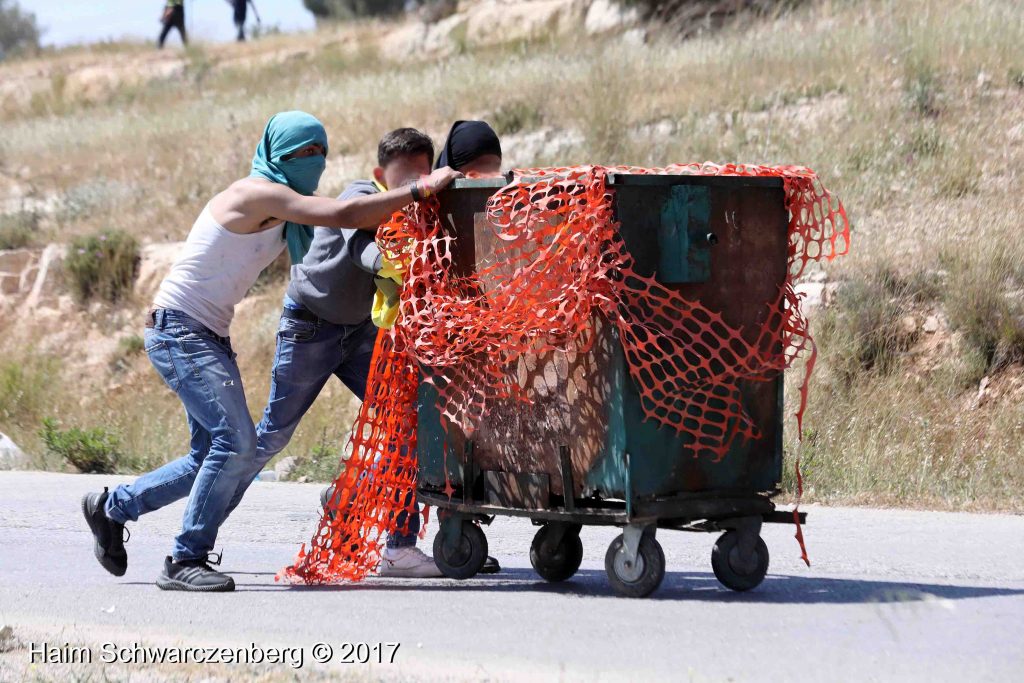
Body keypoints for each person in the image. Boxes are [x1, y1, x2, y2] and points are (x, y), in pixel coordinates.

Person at [81, 112, 461, 593]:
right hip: (180, 330)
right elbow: (347, 218)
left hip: (211, 333)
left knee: (212, 456)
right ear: (275, 153)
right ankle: (184, 559)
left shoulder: (286, 211)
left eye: (320, 153)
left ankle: (114, 508)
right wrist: (422, 190)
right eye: (302, 153)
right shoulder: (259, 193)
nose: (314, 162)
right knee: (239, 445)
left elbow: (355, 232)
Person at [224, 128, 447, 578]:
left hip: (358, 331)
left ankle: (396, 545)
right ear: (380, 175)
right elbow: (364, 246)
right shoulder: (361, 196)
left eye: (421, 180)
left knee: (408, 422)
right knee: (271, 436)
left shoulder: (418, 213)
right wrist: (394, 262)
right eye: (403, 183)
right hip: (310, 327)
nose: (411, 192)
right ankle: (203, 528)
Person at [435, 120, 502, 175]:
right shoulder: (429, 189)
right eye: (481, 164)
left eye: (496, 165)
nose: (493, 173)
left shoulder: (506, 187)